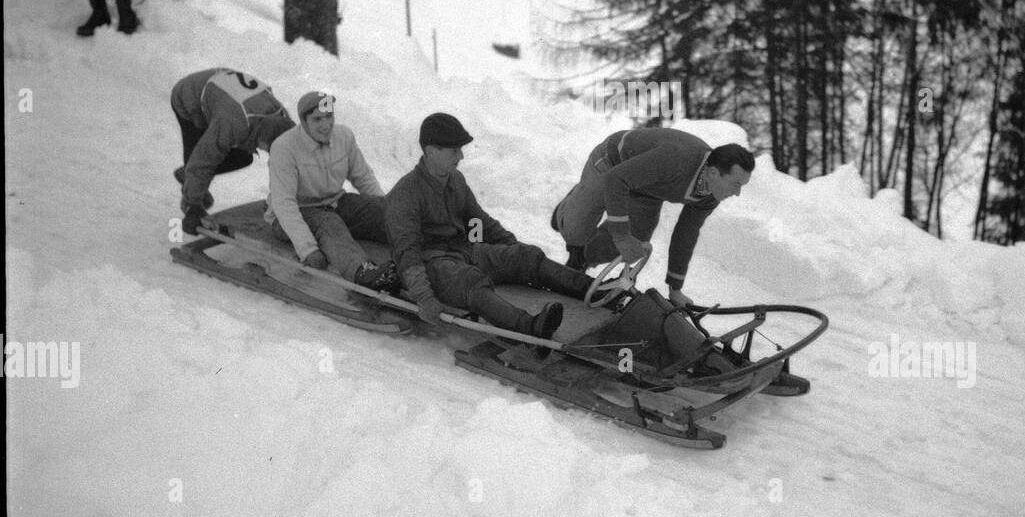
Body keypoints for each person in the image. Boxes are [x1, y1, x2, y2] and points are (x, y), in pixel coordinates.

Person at [385, 113, 592, 339]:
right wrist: (424, 298)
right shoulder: (406, 194)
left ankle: (594, 290)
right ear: (432, 151)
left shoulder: (455, 180)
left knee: (527, 256)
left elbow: (477, 220)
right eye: (454, 150)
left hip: (464, 250)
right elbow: (407, 254)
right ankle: (530, 327)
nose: (461, 156)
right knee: (470, 281)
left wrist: (513, 251)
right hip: (432, 264)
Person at [551, 128, 755, 307]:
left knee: (636, 242)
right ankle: (566, 209)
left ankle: (582, 258)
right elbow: (617, 179)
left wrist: (675, 289)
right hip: (611, 165)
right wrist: (621, 236)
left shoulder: (709, 195)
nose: (737, 193)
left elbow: (686, 234)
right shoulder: (676, 159)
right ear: (713, 173)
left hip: (648, 190)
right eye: (735, 184)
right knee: (576, 233)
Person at [266, 91, 398, 292]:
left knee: (388, 209)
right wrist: (307, 249)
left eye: (329, 116)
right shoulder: (284, 148)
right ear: (303, 121)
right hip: (297, 212)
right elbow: (284, 203)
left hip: (336, 202)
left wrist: (383, 211)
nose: (326, 125)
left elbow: (363, 177)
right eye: (317, 119)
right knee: (330, 225)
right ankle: (363, 273)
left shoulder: (343, 136)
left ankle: (430, 242)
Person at [171, 68, 295, 236]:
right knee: (199, 159)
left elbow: (293, 159)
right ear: (262, 141)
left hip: (224, 94)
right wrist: (193, 205)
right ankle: (190, 197)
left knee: (243, 157)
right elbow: (203, 160)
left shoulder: (284, 122)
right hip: (190, 97)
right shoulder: (232, 124)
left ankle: (190, 179)